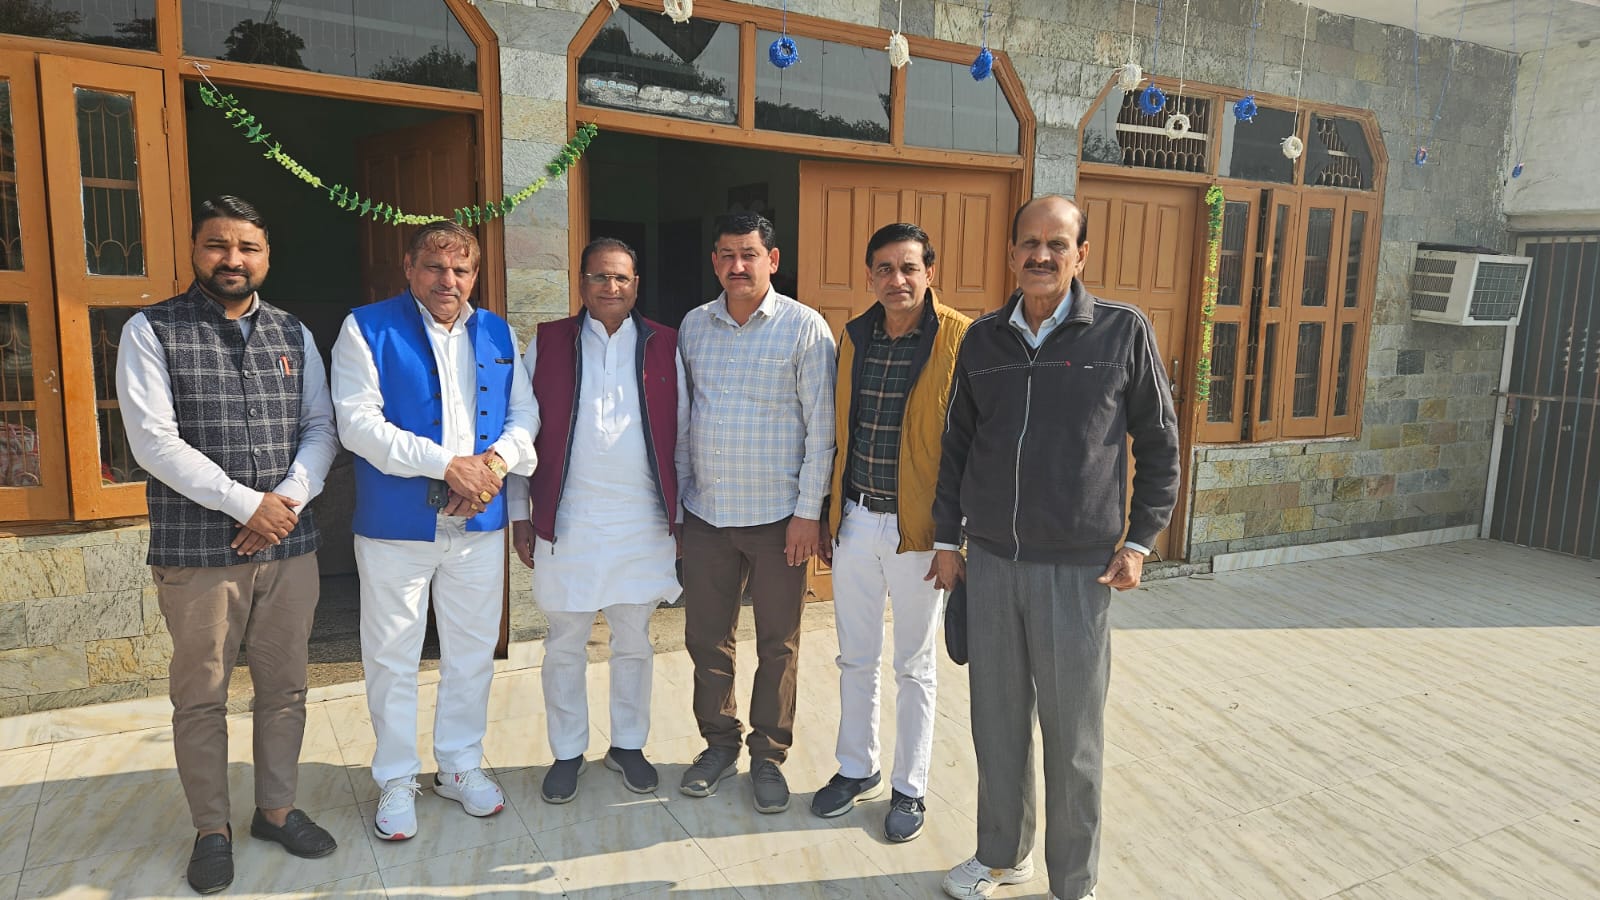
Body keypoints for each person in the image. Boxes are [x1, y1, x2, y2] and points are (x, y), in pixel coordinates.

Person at [932, 196, 1180, 900]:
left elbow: (1160, 444)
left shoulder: (1121, 331)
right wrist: (948, 540)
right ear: (1011, 252)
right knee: (997, 727)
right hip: (992, 564)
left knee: (1072, 738)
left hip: (1077, 571)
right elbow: (956, 447)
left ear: (1082, 254)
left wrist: (1139, 542)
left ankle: (1074, 883)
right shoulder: (983, 340)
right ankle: (1002, 855)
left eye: (1057, 243)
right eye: (1029, 243)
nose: (1041, 255)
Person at [116, 195, 341, 894]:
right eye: (218, 244)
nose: (233, 259)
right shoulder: (152, 330)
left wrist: (287, 501)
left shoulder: (293, 332)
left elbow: (321, 427)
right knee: (202, 695)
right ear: (195, 250)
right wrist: (249, 505)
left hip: (289, 546)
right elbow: (153, 442)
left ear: (267, 257)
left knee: (285, 686)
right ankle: (210, 829)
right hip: (197, 553)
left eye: (248, 247)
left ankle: (276, 810)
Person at [330, 221, 539, 841]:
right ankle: (397, 777)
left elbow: (525, 414)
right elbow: (358, 425)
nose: (449, 280)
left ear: (475, 275)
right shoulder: (365, 328)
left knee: (472, 652)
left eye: (461, 270)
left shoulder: (497, 331)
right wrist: (448, 466)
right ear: (409, 268)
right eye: (435, 267)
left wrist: (492, 467)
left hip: (478, 525)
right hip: (396, 527)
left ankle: (459, 764)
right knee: (392, 655)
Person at [505, 237, 690, 804]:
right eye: (600, 277)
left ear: (636, 285)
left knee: (634, 639)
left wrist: (680, 518)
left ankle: (629, 745)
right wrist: (519, 512)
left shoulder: (665, 344)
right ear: (581, 283)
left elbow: (683, 433)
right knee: (565, 642)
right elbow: (520, 428)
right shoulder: (548, 342)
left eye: (622, 278)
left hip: (642, 521)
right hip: (570, 520)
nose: (611, 287)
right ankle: (567, 751)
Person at [810, 223, 970, 843]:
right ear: (870, 275)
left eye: (908, 267)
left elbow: (972, 443)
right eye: (884, 268)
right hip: (856, 520)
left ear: (930, 271)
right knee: (855, 655)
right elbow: (839, 430)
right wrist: (829, 515)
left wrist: (954, 539)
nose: (896, 280)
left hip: (922, 533)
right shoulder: (854, 337)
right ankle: (858, 768)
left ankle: (910, 786)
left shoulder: (960, 338)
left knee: (914, 664)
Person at [676, 212, 836, 813]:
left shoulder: (805, 327)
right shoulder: (695, 325)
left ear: (773, 259)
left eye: (748, 254)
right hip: (707, 515)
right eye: (726, 254)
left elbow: (822, 430)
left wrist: (807, 514)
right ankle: (719, 744)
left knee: (778, 642)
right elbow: (685, 420)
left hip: (778, 521)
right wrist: (680, 507)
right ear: (714, 262)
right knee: (706, 638)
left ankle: (769, 755)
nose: (736, 266)